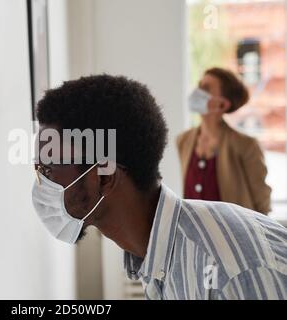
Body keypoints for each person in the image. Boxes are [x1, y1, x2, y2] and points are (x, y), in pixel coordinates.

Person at [32, 75, 287, 300]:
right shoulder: (158, 259)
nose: (41, 183)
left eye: (48, 169)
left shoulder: (232, 272)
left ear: (103, 177)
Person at [178, 67, 271, 214]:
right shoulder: (183, 141)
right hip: (194, 235)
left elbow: (262, 201)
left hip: (235, 235)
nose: (197, 91)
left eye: (205, 88)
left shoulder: (246, 145)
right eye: (199, 85)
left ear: (222, 105)